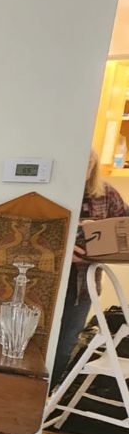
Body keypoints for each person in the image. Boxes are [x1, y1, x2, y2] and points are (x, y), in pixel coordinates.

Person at [52, 149, 129, 383]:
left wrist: (99, 238)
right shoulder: (52, 191)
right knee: (31, 341)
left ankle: (48, 395)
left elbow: (124, 226)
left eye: (88, 164)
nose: (83, 169)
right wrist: (63, 246)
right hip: (44, 281)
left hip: (82, 285)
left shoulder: (105, 194)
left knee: (65, 344)